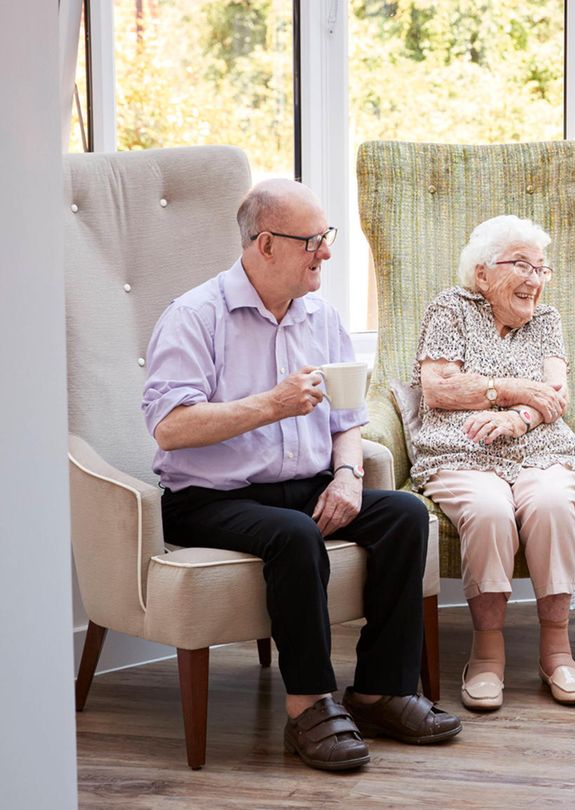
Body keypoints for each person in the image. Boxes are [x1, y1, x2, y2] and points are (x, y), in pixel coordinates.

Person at [142, 179, 461, 773]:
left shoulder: (321, 316)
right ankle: (309, 705)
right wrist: (270, 405)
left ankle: (380, 691)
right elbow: (170, 427)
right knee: (293, 533)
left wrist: (345, 476)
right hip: (208, 497)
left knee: (405, 514)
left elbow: (347, 416)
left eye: (326, 236)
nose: (327, 252)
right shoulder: (194, 316)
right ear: (265, 244)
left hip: (309, 484)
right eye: (313, 240)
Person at [410, 214, 575, 711]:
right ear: (483, 273)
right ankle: (487, 652)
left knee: (553, 502)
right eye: (521, 265)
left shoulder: (547, 321)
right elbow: (440, 387)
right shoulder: (450, 308)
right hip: (460, 449)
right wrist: (507, 391)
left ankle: (557, 648)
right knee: (489, 510)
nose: (534, 279)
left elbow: (558, 394)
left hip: (541, 448)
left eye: (541, 268)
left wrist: (519, 420)